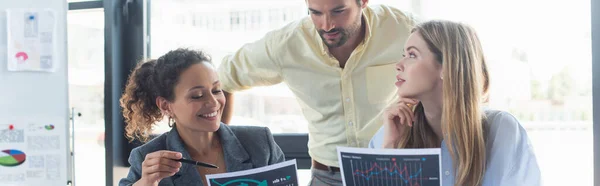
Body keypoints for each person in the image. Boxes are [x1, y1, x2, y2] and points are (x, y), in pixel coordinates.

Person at [217, 0, 418, 184]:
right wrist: (221, 151)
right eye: (315, 13)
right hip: (327, 177)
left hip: (396, 171)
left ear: (363, 2)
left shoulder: (402, 28)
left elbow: (445, 71)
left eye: (338, 11)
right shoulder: (286, 45)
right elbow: (222, 80)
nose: (327, 25)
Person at [368, 20, 541, 186]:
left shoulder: (502, 131)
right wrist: (390, 149)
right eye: (403, 55)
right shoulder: (389, 133)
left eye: (412, 55)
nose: (398, 65)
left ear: (446, 67)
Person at [118, 48, 285, 186]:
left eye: (216, 90)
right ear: (166, 106)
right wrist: (147, 182)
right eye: (197, 96)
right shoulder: (147, 158)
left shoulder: (260, 143)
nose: (213, 102)